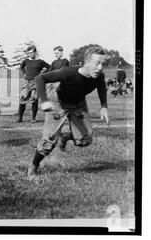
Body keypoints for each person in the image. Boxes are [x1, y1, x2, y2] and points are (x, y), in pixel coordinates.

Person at [27, 46, 110, 178]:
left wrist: (104, 106)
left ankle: (65, 137)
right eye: (97, 63)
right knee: (49, 141)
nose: (100, 68)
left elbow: (101, 86)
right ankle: (33, 167)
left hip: (78, 103)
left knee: (85, 138)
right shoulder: (69, 72)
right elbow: (40, 79)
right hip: (59, 102)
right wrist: (44, 100)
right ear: (87, 62)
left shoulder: (99, 75)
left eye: (103, 64)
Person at [17, 46, 50, 123]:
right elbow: (21, 67)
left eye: (31, 52)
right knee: (22, 100)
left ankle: (33, 118)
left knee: (34, 101)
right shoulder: (26, 61)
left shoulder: (40, 62)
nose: (29, 54)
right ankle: (20, 118)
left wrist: (42, 74)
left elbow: (49, 67)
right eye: (28, 53)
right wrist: (24, 73)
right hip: (27, 83)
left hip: (36, 83)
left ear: (35, 52)